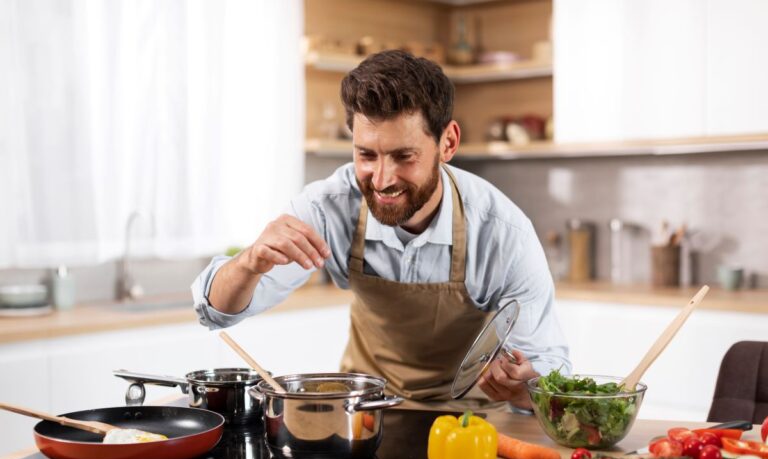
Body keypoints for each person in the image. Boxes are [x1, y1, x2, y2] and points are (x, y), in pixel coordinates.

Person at [192, 50, 570, 411]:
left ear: (448, 143)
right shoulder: (329, 207)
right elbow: (217, 313)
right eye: (366, 155)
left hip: (471, 421)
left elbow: (549, 372)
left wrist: (523, 388)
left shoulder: (502, 232)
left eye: (404, 156)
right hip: (363, 413)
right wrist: (248, 263)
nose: (383, 179)